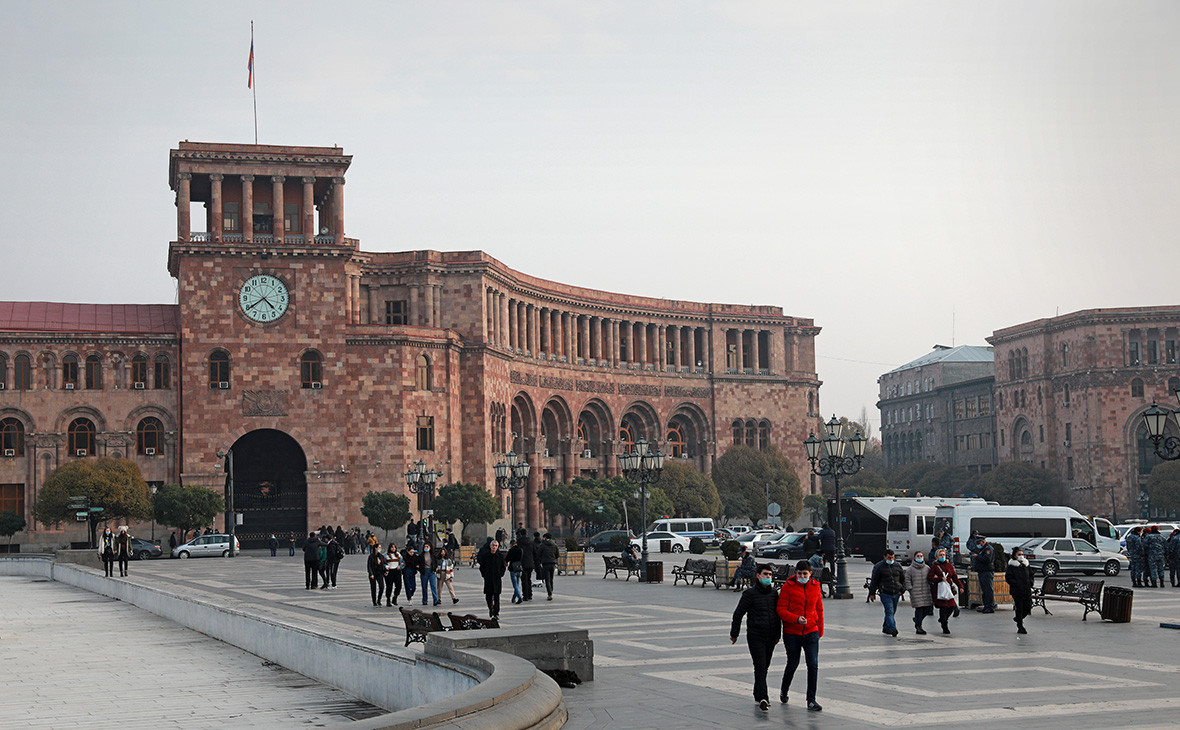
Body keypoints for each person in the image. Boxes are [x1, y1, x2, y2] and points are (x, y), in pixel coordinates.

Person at [730, 564, 781, 711]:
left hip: (771, 636)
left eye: (770, 575)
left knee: (765, 667)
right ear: (758, 575)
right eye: (765, 574)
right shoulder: (749, 594)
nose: (768, 577)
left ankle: (757, 693)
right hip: (756, 636)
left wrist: (778, 635)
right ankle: (764, 698)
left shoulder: (774, 593)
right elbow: (738, 614)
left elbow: (777, 616)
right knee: (760, 666)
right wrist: (735, 634)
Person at [776, 560, 824, 711]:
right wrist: (796, 618)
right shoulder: (787, 587)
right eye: (799, 574)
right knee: (793, 663)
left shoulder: (816, 587)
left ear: (810, 573)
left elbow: (819, 609)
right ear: (795, 573)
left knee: (813, 665)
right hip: (792, 632)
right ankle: (784, 690)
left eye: (805, 574)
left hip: (811, 631)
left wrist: (819, 629)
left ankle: (811, 699)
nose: (802, 576)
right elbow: (781, 610)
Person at [867, 549, 905, 637]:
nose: (891, 559)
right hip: (885, 593)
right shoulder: (879, 567)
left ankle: (886, 627)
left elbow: (903, 578)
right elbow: (874, 581)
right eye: (889, 557)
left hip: (896, 592)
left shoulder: (897, 565)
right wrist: (872, 593)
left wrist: (902, 589)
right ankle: (893, 628)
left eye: (892, 557)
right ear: (884, 557)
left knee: (892, 611)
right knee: (889, 611)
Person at [927, 547, 964, 635]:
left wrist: (960, 586)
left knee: (951, 607)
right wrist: (939, 579)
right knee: (943, 608)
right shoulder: (935, 566)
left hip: (948, 589)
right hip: (940, 590)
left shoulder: (949, 566)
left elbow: (954, 577)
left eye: (943, 555)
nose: (942, 556)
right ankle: (944, 625)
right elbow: (930, 578)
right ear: (937, 556)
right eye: (941, 555)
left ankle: (944, 619)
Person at [1005, 545, 1034, 634]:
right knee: (1020, 608)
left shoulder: (1025, 564)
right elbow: (1008, 578)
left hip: (1027, 590)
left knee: (1028, 606)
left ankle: (1018, 618)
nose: (1021, 556)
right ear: (1014, 555)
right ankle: (1020, 626)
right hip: (1017, 591)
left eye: (1022, 554)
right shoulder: (1012, 566)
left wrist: (1030, 583)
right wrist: (1017, 583)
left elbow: (1031, 574)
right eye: (1019, 554)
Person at [904, 551, 933, 634]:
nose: (920, 557)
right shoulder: (910, 569)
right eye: (918, 556)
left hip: (926, 591)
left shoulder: (927, 568)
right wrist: (910, 589)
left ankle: (917, 619)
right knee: (919, 609)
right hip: (916, 592)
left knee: (928, 609)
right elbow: (907, 580)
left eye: (921, 556)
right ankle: (918, 626)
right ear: (914, 558)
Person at [478, 539, 507, 618]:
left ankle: (496, 612)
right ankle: (490, 608)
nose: (494, 547)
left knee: (497, 597)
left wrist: (500, 574)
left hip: (497, 579)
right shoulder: (486, 555)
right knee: (488, 596)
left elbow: (503, 567)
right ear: (490, 546)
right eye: (493, 545)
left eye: (496, 546)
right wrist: (484, 575)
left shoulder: (500, 556)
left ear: (498, 547)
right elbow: (482, 567)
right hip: (488, 579)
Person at [972, 535, 996, 613]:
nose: (978, 545)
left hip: (987, 572)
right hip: (982, 572)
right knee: (984, 591)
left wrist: (977, 556)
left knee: (988, 590)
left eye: (979, 542)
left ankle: (990, 607)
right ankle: (986, 606)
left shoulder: (988, 549)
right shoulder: (983, 549)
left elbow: (987, 559)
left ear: (983, 541)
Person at [537, 532, 559, 601]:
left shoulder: (542, 545)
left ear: (545, 538)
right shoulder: (555, 545)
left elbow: (538, 554)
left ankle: (550, 594)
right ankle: (551, 591)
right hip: (552, 563)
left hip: (545, 563)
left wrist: (541, 560)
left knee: (547, 579)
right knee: (551, 578)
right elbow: (557, 555)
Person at [518, 528, 536, 602]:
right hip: (530, 563)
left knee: (524, 579)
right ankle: (530, 594)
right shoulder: (531, 542)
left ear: (520, 534)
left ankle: (525, 595)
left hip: (522, 563)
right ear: (526, 533)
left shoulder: (519, 542)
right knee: (529, 579)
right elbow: (535, 553)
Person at [506, 539, 524, 604]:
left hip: (512, 569)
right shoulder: (520, 549)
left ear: (511, 544)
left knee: (515, 585)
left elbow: (507, 559)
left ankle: (519, 597)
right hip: (519, 568)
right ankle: (513, 598)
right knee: (517, 585)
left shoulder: (511, 550)